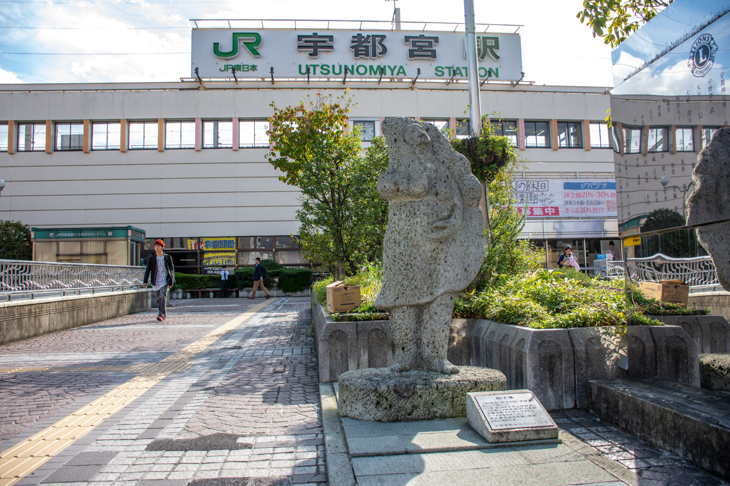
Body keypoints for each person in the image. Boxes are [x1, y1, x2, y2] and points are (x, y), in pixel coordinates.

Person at [143, 239, 175, 321]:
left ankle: (161, 314)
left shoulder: (167, 257)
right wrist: (145, 282)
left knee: (162, 296)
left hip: (164, 281)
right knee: (158, 298)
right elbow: (148, 270)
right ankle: (162, 312)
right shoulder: (152, 258)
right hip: (156, 281)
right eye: (155, 246)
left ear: (162, 247)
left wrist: (171, 281)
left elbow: (171, 270)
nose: (157, 248)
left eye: (158, 246)